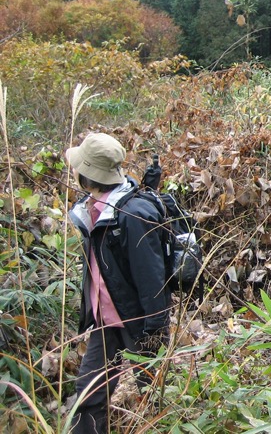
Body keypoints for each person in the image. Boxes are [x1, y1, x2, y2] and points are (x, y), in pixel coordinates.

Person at [65, 133, 170, 434]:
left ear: (87, 177)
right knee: (88, 395)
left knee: (157, 396)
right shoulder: (94, 208)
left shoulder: (129, 215)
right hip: (106, 319)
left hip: (140, 322)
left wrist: (154, 330)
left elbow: (152, 278)